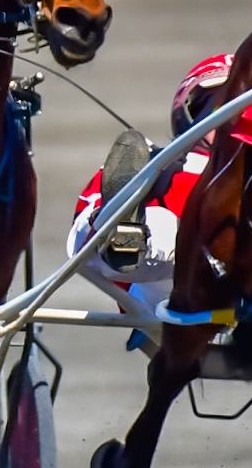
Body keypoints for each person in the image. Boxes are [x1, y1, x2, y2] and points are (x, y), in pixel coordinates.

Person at [68, 55, 232, 322]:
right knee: (163, 224)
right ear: (191, 114)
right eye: (223, 111)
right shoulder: (157, 166)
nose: (233, 123)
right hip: (172, 291)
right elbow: (78, 247)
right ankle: (121, 231)